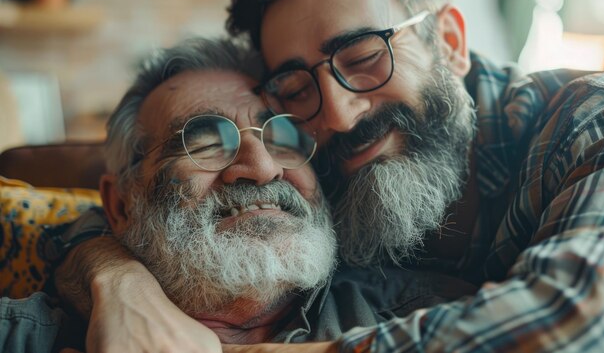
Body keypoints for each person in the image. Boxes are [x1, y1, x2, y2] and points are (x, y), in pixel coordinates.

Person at [51, 0, 604, 352]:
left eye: (364, 57)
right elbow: (133, 210)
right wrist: (120, 284)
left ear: (449, 41)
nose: (340, 114)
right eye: (298, 87)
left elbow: (587, 325)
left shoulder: (596, 119)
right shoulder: (319, 165)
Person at [1, 37, 472, 353]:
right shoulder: (30, 335)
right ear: (122, 205)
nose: (264, 168)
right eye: (204, 142)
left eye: (285, 138)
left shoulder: (434, 319)